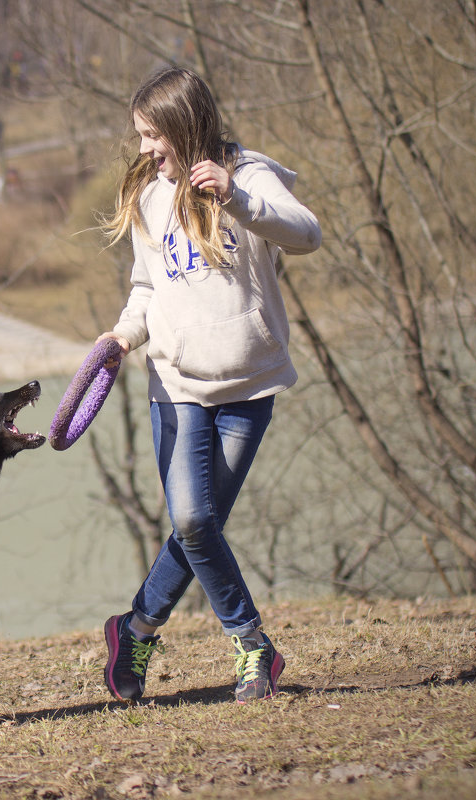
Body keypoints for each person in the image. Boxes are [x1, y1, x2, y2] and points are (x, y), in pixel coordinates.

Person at [96, 67, 321, 704]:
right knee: (195, 517)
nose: (144, 149)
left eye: (151, 135)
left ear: (182, 126)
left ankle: (135, 628)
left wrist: (237, 199)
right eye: (139, 135)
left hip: (250, 385)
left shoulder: (249, 175)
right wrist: (120, 337)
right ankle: (254, 648)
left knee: (200, 526)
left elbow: (308, 234)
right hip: (177, 384)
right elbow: (147, 288)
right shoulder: (150, 198)